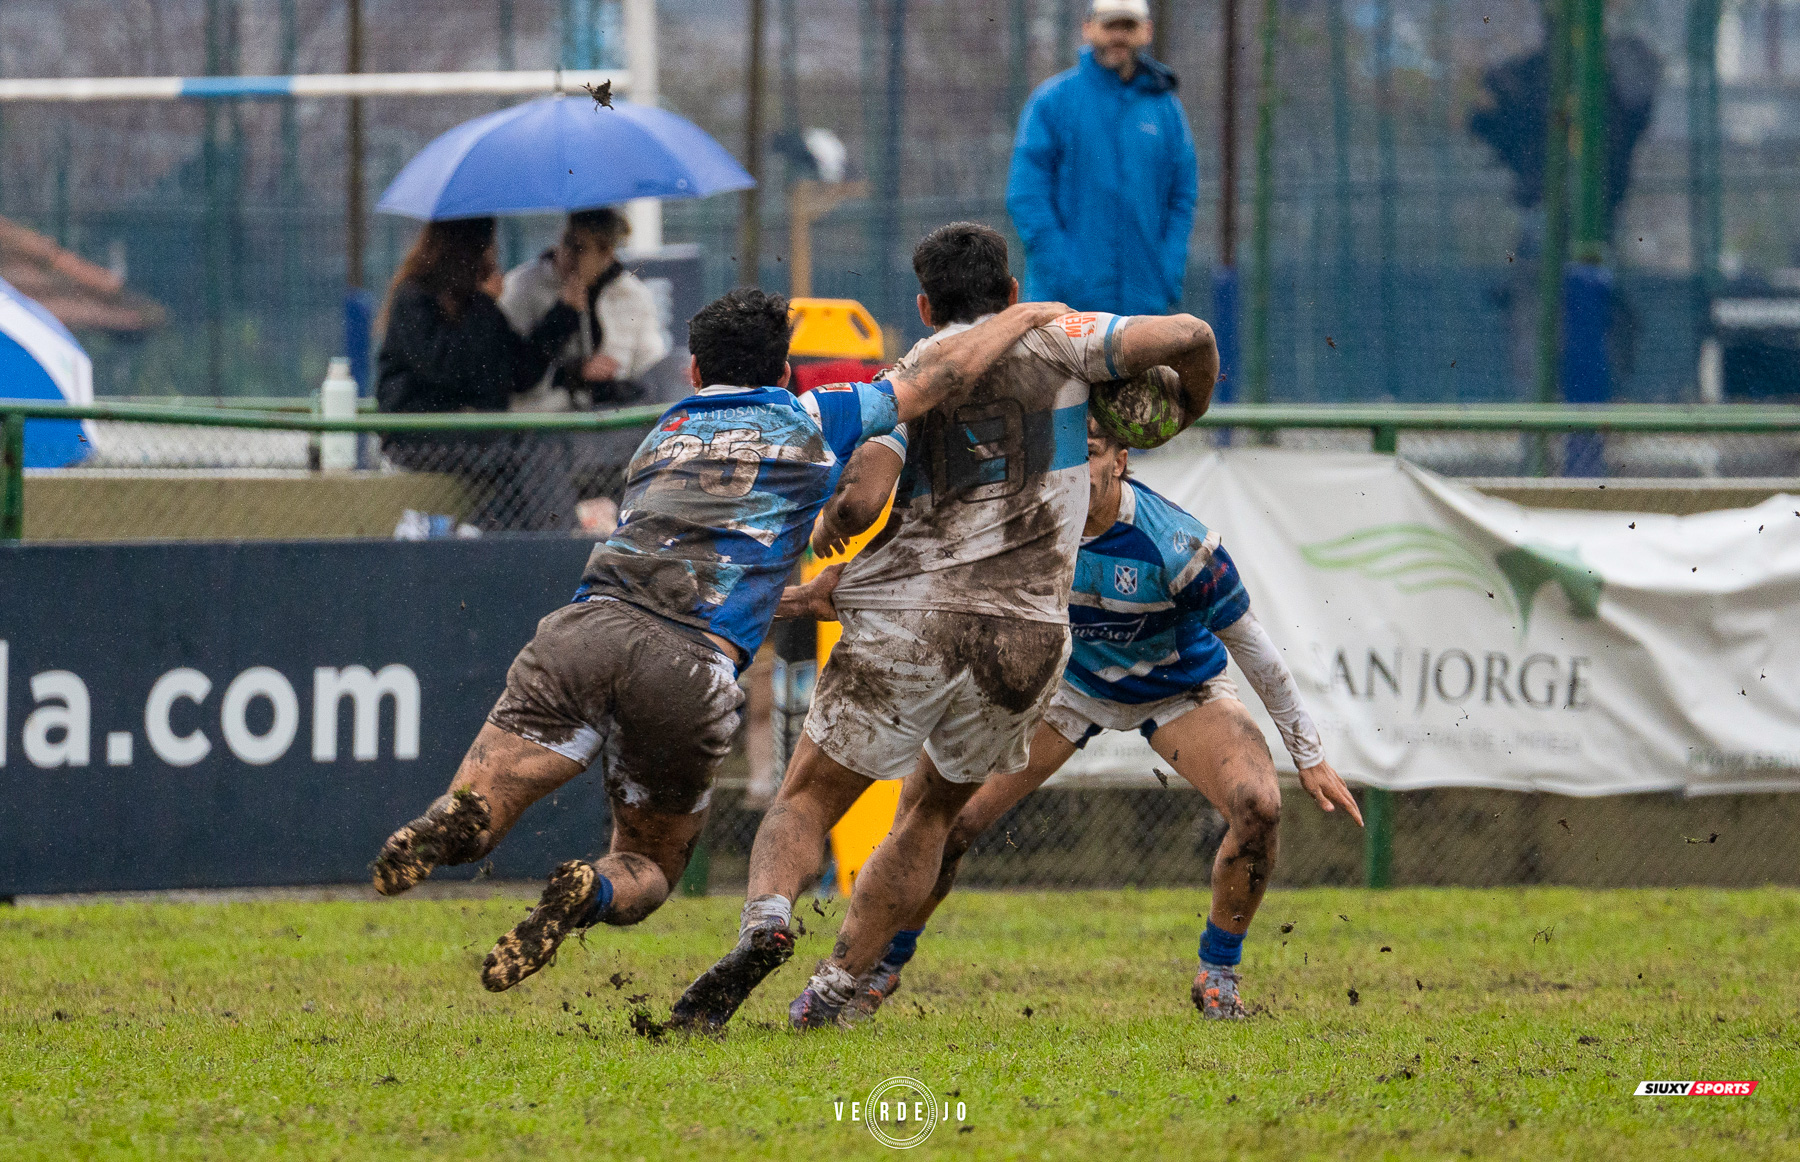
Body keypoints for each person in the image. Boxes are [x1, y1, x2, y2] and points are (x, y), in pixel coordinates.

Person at [366, 287, 1070, 994]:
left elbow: (679, 571)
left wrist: (794, 598)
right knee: (648, 866)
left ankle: (454, 818)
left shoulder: (661, 435)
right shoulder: (809, 418)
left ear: (695, 374)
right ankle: (592, 891)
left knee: (486, 805)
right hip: (691, 665)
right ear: (786, 370)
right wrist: (1021, 317)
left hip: (586, 629)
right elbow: (936, 377)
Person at [668, 221, 1218, 1033]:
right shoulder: (1065, 339)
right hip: (1028, 635)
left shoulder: (913, 372)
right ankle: (838, 990)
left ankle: (768, 920)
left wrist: (835, 528)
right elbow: (1192, 334)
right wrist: (1184, 406)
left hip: (910, 619)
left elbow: (861, 499)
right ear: (1010, 292)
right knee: (930, 815)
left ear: (925, 305)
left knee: (810, 798)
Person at [783, 421, 1364, 1022]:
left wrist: (1309, 754)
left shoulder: (1180, 546)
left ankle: (1218, 973)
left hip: (1177, 687)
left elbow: (1256, 650)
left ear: (1120, 461)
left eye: (1086, 455)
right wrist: (820, 588)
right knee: (946, 823)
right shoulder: (1023, 521)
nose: (1071, 470)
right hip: (1064, 687)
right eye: (1062, 454)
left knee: (1259, 808)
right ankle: (881, 969)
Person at [374, 216, 592, 530]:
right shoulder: (414, 298)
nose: (495, 257)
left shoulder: (478, 306)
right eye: (490, 247)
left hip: (474, 434)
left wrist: (565, 312)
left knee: (534, 459)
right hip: (419, 435)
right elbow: (444, 366)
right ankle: (557, 545)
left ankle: (486, 536)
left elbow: (522, 372)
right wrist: (483, 305)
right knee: (529, 457)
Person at [1007, 0, 1198, 317]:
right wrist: (1064, 274)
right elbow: (1026, 196)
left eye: (1128, 27)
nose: (1118, 37)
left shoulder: (1166, 110)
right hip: (1062, 311)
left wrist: (1167, 274)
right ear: (1087, 28)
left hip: (1144, 308)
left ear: (1146, 31)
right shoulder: (1052, 102)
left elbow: (1182, 196)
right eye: (1110, 26)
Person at [497, 207, 670, 413]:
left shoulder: (631, 295)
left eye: (580, 248)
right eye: (566, 242)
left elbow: (649, 365)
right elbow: (514, 374)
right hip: (543, 422)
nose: (567, 255)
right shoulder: (522, 285)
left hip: (610, 420)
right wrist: (562, 317)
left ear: (606, 252)